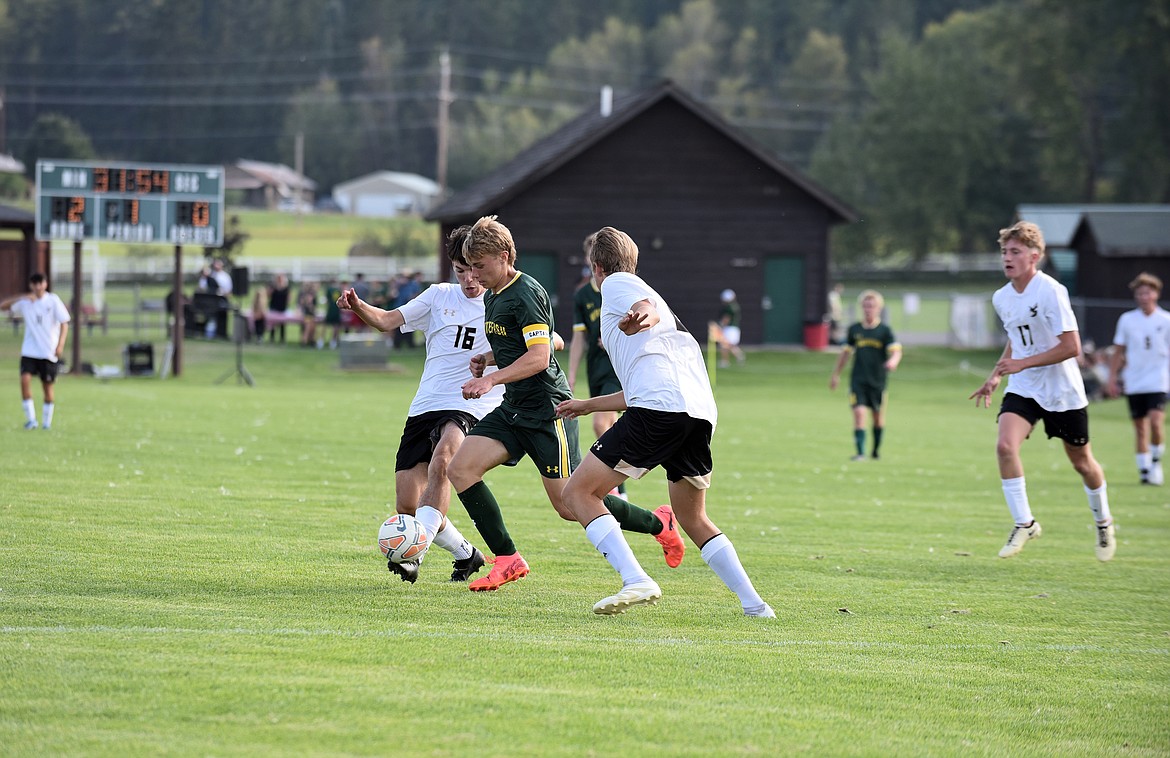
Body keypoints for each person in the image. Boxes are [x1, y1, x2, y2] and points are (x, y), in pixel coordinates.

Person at [446, 216, 684, 593]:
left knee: (569, 505)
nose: (474, 275)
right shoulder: (494, 294)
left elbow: (540, 357)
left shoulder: (525, 293)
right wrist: (490, 359)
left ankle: (659, 523)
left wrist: (489, 378)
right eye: (469, 266)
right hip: (514, 409)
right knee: (459, 469)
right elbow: (520, 346)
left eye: (480, 265)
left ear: (505, 256)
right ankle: (507, 559)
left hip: (547, 411)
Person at [555, 227, 773, 617]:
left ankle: (635, 579)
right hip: (696, 413)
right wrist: (587, 405)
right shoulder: (656, 299)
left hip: (659, 411)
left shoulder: (618, 285)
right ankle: (756, 606)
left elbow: (644, 308)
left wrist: (641, 315)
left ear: (597, 266)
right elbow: (642, 386)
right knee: (691, 516)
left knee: (577, 494)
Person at [338, 227, 498, 583]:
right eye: (460, 270)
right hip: (425, 405)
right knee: (408, 504)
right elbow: (386, 321)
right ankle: (466, 554)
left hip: (471, 403)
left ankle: (414, 554)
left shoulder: (503, 301)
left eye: (475, 269)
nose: (469, 279)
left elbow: (549, 339)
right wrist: (358, 305)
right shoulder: (439, 296)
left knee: (444, 461)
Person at [969, 221, 1115, 561]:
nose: (1007, 257)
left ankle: (1103, 520)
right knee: (1006, 446)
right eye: (1005, 251)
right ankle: (1024, 523)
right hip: (1025, 388)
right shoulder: (1001, 297)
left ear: (1034, 256)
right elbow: (1015, 339)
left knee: (1082, 463)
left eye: (1015, 251)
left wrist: (1023, 363)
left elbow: (1072, 347)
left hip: (1062, 391)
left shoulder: (1050, 291)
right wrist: (996, 376)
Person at [567, 233, 626, 499]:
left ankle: (617, 491)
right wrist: (571, 374)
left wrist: (618, 336)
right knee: (608, 425)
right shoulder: (583, 296)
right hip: (596, 369)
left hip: (619, 367)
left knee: (601, 424)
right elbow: (579, 337)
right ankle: (616, 488)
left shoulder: (621, 290)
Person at [1107, 272, 1170, 485]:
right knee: (1140, 427)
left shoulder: (1166, 320)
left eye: (1148, 292)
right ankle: (1144, 471)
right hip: (1135, 380)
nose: (1144, 296)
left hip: (1158, 379)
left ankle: (1155, 462)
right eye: (1140, 293)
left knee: (1155, 421)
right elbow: (1118, 352)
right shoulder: (1127, 319)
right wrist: (1112, 378)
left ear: (1156, 294)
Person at [829, 290, 902, 461]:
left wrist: (893, 362)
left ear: (879, 308)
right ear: (862, 307)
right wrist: (836, 374)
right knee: (859, 413)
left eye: (872, 306)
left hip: (877, 381)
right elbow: (845, 354)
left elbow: (897, 351)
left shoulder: (884, 331)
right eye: (866, 306)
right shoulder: (855, 329)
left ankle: (875, 451)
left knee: (877, 418)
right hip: (858, 380)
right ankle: (860, 453)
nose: (869, 309)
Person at [0, 272, 71, 430]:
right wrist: (22, 297)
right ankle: (31, 420)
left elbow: (65, 322)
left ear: (45, 284)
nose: (38, 287)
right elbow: (3, 306)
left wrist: (60, 346)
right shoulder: (26, 302)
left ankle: (46, 423)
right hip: (29, 351)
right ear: (31, 285)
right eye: (34, 283)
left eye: (40, 283)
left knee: (47, 387)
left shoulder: (53, 300)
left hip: (48, 351)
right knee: (24, 380)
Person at [717, 288, 746, 368]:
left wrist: (721, 325)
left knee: (724, 345)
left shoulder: (729, 307)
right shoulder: (735, 306)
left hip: (730, 328)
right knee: (730, 345)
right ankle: (739, 355)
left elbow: (726, 318)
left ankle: (725, 361)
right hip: (735, 328)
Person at [267, 273, 291, 343]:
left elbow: (289, 299)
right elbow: (269, 295)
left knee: (282, 324)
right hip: (274, 308)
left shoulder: (286, 288)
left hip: (282, 308)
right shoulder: (273, 287)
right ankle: (272, 338)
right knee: (273, 324)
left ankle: (282, 338)